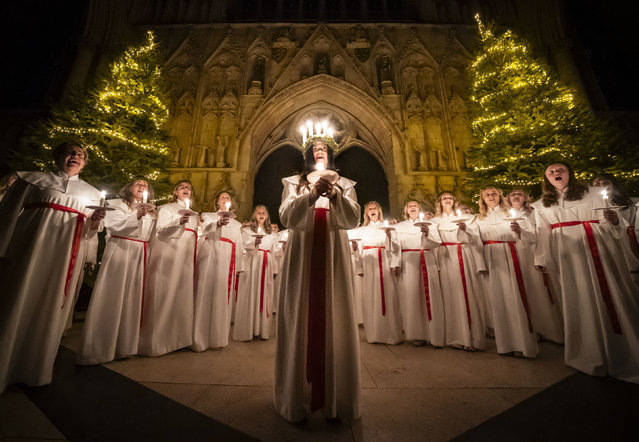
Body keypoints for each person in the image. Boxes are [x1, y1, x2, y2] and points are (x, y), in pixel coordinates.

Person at [0, 141, 105, 393]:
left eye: (80, 155)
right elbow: (7, 214)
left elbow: (91, 232)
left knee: (51, 305)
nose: (75, 157)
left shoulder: (91, 193)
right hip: (30, 249)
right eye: (70, 153)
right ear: (58, 157)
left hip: (65, 256)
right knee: (18, 298)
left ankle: (35, 369)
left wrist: (95, 222)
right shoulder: (33, 181)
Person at [274, 134, 361, 423]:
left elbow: (352, 220)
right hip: (303, 251)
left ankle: (337, 398)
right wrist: (310, 196)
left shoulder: (345, 184)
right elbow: (286, 216)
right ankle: (296, 396)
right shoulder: (292, 183)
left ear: (332, 155)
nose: (319, 150)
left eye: (324, 148)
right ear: (308, 155)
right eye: (315, 148)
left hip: (333, 255)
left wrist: (335, 195)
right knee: (301, 313)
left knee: (333, 315)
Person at [534, 162, 639, 383]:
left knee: (608, 294)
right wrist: (542, 258)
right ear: (547, 178)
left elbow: (611, 218)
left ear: (569, 173)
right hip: (567, 255)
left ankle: (620, 350)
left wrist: (612, 221)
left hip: (596, 248)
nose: (556, 174)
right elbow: (543, 231)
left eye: (560, 170)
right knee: (578, 298)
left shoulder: (591, 193)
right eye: (551, 172)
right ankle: (587, 352)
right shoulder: (543, 204)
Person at [77, 178, 157, 365]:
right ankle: (98, 349)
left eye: (145, 185)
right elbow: (115, 226)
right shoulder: (115, 204)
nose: (142, 187)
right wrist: (136, 215)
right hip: (120, 247)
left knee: (131, 298)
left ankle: (125, 345)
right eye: (138, 183)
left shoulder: (152, 211)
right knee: (112, 294)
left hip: (140, 253)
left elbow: (153, 235)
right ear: (129, 188)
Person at [476, 187, 538, 358]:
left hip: (512, 255)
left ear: (500, 196)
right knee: (498, 301)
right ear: (482, 199)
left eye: (494, 193)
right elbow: (474, 243)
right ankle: (505, 345)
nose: (490, 196)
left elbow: (532, 237)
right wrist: (480, 264)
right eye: (487, 194)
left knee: (516, 298)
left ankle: (524, 343)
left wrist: (520, 232)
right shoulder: (479, 218)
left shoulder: (513, 214)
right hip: (491, 258)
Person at [138, 181, 199, 356]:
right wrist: (179, 221)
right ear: (175, 192)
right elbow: (161, 230)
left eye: (188, 187)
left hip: (186, 259)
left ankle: (178, 339)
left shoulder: (194, 215)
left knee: (181, 295)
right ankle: (157, 342)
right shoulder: (166, 208)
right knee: (164, 293)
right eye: (182, 187)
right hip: (168, 256)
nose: (186, 189)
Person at [431, 192, 487, 351]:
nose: (447, 200)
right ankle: (455, 337)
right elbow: (433, 242)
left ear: (454, 201)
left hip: (464, 254)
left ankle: (473, 338)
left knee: (468, 293)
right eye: (444, 198)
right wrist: (426, 234)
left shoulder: (466, 218)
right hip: (446, 257)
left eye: (450, 198)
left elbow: (475, 239)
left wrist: (465, 230)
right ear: (440, 202)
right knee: (450, 295)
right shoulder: (435, 221)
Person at [507, 189, 564, 344]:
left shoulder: (535, 213)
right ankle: (535, 328)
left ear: (526, 197)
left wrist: (523, 233)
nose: (516, 196)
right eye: (513, 194)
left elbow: (542, 234)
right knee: (529, 290)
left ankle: (554, 330)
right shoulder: (507, 217)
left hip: (537, 251)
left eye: (520, 193)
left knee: (545, 290)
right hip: (520, 255)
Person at [192, 191, 245, 350]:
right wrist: (218, 224)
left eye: (228, 197)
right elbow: (207, 230)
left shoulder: (237, 224)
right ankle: (199, 338)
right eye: (222, 197)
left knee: (222, 296)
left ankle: (217, 338)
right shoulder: (209, 216)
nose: (225, 199)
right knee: (205, 291)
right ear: (217, 203)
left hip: (228, 259)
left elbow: (239, 244)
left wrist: (239, 267)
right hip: (210, 254)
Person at [394, 201, 444, 347]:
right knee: (412, 298)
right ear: (406, 210)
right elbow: (396, 247)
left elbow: (437, 243)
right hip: (409, 263)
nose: (412, 207)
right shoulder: (399, 226)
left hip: (427, 260)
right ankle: (417, 334)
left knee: (431, 297)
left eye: (415, 205)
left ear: (419, 209)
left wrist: (427, 235)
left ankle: (434, 334)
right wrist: (395, 263)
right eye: (409, 205)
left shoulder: (431, 225)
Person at [356, 201, 403, 345]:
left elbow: (396, 246)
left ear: (379, 210)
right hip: (369, 263)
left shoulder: (388, 227)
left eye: (374, 208)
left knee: (389, 296)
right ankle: (374, 334)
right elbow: (358, 250)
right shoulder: (362, 231)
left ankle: (391, 335)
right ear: (366, 213)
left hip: (385, 261)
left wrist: (395, 262)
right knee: (371, 297)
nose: (372, 210)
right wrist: (360, 268)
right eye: (369, 209)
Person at [233, 205, 278, 341]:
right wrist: (254, 242)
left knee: (265, 295)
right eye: (259, 212)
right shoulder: (247, 231)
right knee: (250, 293)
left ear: (267, 216)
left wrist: (275, 269)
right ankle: (247, 330)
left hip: (266, 263)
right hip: (252, 261)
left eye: (264, 212)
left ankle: (262, 330)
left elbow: (274, 251)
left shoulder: (272, 233)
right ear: (254, 215)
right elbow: (243, 245)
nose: (261, 214)